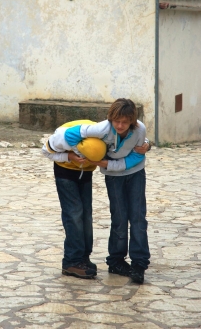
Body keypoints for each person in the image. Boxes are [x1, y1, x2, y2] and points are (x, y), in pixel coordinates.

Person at [64, 99, 151, 284]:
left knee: (137, 217)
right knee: (119, 217)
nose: (119, 125)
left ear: (132, 121)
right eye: (116, 121)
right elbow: (70, 134)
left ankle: (139, 263)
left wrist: (109, 164)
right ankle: (116, 261)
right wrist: (83, 154)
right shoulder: (102, 129)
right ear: (110, 118)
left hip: (135, 173)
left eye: (125, 122)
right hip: (113, 177)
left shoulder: (140, 130)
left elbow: (138, 154)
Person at [42, 120, 107, 279]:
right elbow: (46, 151)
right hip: (65, 173)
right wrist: (69, 156)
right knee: (74, 214)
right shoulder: (62, 137)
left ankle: (83, 257)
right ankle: (72, 261)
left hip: (85, 174)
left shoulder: (103, 139)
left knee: (86, 214)